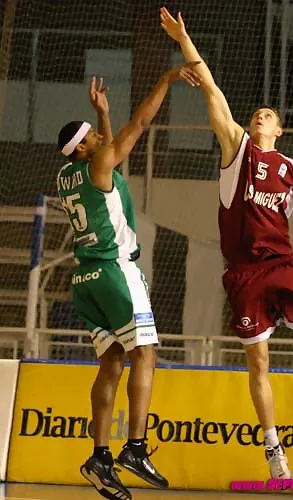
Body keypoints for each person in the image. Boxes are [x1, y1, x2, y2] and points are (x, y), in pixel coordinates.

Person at [160, 7, 293, 480]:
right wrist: (183, 40)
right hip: (243, 272)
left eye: (270, 115)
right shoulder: (236, 148)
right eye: (258, 113)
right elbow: (210, 85)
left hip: (284, 266)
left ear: (279, 130)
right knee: (258, 362)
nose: (261, 115)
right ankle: (273, 446)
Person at [56, 65, 200, 500]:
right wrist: (166, 80)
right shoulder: (99, 164)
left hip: (85, 278)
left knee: (112, 362)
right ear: (84, 148)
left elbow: (106, 144)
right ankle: (135, 448)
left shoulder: (67, 175)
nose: (101, 135)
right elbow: (137, 124)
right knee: (145, 353)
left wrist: (101, 113)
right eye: (93, 135)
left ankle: (99, 457)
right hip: (115, 270)